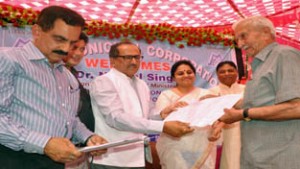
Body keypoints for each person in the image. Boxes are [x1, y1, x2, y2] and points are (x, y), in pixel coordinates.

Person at [0, 6, 107, 169]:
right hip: (12, 158)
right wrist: (44, 143)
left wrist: (88, 137)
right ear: (37, 31)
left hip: (53, 162)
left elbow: (69, 118)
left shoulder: (65, 74)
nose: (65, 49)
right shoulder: (9, 60)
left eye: (72, 43)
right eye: (59, 39)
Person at [89, 41, 194, 169]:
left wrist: (161, 115)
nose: (133, 62)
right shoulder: (103, 81)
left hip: (137, 158)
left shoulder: (141, 84)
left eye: (137, 57)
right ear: (113, 60)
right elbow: (116, 119)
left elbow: (145, 116)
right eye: (127, 57)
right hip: (111, 159)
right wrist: (162, 126)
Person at [218, 16, 300, 169]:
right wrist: (219, 102)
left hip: (280, 159)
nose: (240, 44)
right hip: (258, 158)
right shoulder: (260, 65)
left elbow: (296, 108)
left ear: (266, 32)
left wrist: (243, 114)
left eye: (244, 36)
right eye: (237, 39)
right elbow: (262, 102)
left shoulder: (285, 56)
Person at [155, 60, 217, 169]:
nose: (186, 75)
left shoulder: (206, 94)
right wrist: (171, 109)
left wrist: (216, 129)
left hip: (202, 144)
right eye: (180, 73)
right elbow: (162, 120)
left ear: (194, 75)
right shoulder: (166, 95)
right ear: (173, 78)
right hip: (174, 146)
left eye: (189, 72)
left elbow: (217, 118)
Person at [209, 61, 244, 169]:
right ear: (217, 74)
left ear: (236, 72)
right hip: (223, 134)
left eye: (230, 70)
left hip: (248, 132)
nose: (227, 73)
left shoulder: (247, 89)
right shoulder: (211, 92)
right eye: (222, 72)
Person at [63, 32, 95, 132]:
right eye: (74, 47)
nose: (78, 53)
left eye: (82, 49)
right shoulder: (53, 74)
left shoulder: (73, 74)